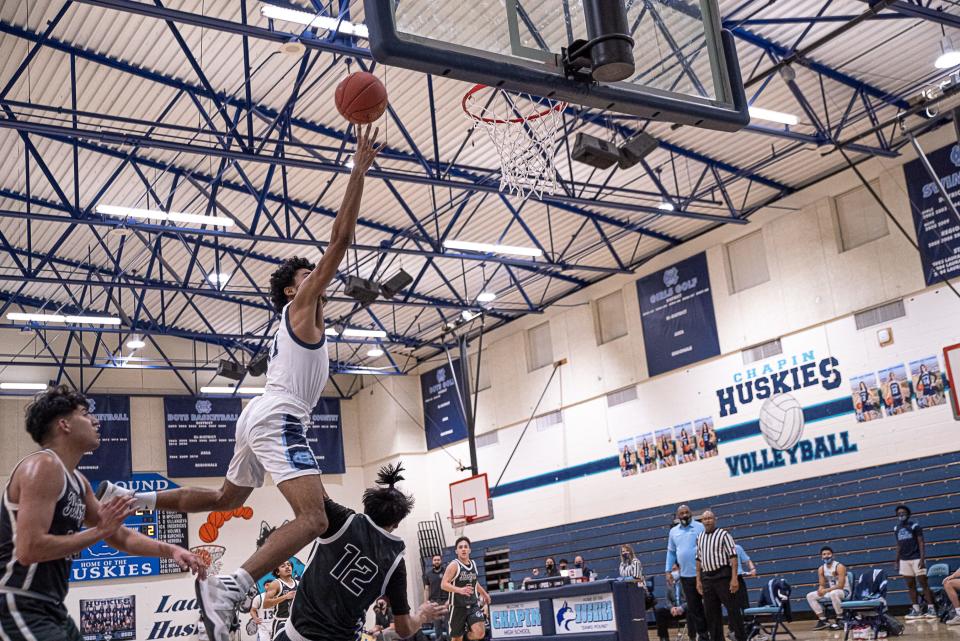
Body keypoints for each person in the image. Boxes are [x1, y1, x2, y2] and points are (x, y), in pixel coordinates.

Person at [96, 125, 383, 641]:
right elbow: (341, 240)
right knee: (313, 519)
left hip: (258, 413)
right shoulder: (300, 308)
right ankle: (236, 585)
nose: (316, 274)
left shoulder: (297, 323)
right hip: (278, 414)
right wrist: (357, 171)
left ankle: (132, 499)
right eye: (307, 272)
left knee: (226, 500)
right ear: (295, 288)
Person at [0, 386, 206, 639]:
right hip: (15, 601)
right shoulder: (43, 466)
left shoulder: (77, 481)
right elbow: (29, 549)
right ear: (64, 424)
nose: (96, 421)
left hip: (50, 606)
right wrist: (99, 531)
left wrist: (171, 549)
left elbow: (119, 536)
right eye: (86, 414)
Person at [274, 463, 446, 640]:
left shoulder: (342, 521)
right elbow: (403, 628)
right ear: (396, 523)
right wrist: (423, 615)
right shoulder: (395, 562)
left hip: (294, 635)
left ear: (367, 507)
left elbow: (313, 487)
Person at [695, 510, 744, 641]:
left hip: (723, 576)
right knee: (711, 614)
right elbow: (698, 560)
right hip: (707, 579)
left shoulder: (724, 534)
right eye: (705, 519)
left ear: (714, 519)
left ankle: (741, 637)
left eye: (710, 518)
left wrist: (734, 578)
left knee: (733, 610)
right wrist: (698, 580)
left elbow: (733, 557)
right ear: (702, 521)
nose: (707, 521)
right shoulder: (700, 537)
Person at [666, 505, 707, 641]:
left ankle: (714, 633)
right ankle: (703, 636)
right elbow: (671, 552)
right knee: (695, 609)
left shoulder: (700, 527)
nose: (684, 515)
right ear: (678, 516)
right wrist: (667, 571)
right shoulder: (673, 532)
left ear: (691, 514)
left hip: (704, 573)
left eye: (686, 512)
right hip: (686, 576)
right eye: (681, 513)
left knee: (709, 606)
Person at [893, 504, 937, 619]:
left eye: (903, 513)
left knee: (924, 584)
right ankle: (916, 609)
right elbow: (898, 545)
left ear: (908, 514)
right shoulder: (896, 528)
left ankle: (931, 608)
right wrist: (896, 560)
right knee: (910, 585)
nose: (901, 515)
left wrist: (922, 559)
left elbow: (921, 543)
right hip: (904, 560)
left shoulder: (915, 526)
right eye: (899, 513)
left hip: (917, 558)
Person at [443, 537, 490, 641]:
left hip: (473, 604)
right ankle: (461, 636)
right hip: (457, 607)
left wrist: (484, 594)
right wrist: (460, 590)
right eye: (460, 547)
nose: (463, 549)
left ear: (469, 550)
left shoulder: (473, 564)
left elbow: (474, 582)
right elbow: (444, 585)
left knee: (480, 633)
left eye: (465, 547)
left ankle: (465, 636)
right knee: (456, 638)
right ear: (456, 551)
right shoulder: (454, 565)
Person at [804, 546, 850, 630]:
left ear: (833, 555)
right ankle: (823, 620)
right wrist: (820, 589)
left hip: (844, 591)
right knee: (810, 595)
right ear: (821, 557)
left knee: (834, 593)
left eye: (828, 554)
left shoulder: (839, 566)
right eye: (824, 554)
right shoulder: (821, 569)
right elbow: (822, 584)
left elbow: (840, 585)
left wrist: (826, 590)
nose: (826, 556)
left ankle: (840, 618)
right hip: (832, 591)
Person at [263, 560, 299, 638]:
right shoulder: (275, 584)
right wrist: (285, 597)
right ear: (278, 572)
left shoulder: (298, 583)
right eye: (283, 566)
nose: (287, 567)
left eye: (288, 565)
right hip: (281, 621)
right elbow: (266, 604)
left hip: (294, 622)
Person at [728, 544, 756, 640]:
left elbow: (747, 560)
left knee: (744, 604)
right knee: (731, 606)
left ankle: (751, 628)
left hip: (739, 578)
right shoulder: (719, 550)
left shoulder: (737, 548)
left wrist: (752, 569)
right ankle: (732, 630)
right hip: (726, 579)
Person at [656, 564, 686, 641]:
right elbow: (667, 600)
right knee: (660, 612)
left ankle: (692, 636)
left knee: (693, 610)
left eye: (675, 569)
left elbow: (690, 600)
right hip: (674, 611)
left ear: (680, 569)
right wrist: (672, 608)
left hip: (685, 609)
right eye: (672, 570)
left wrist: (681, 608)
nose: (673, 572)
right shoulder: (670, 584)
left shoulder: (686, 582)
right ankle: (664, 638)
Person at [424, 554, 448, 641]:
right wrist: (426, 602)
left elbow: (451, 586)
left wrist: (449, 600)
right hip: (434, 603)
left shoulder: (446, 572)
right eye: (435, 560)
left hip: (445, 602)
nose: (437, 561)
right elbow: (426, 589)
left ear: (441, 561)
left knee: (448, 625)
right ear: (432, 561)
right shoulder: (428, 574)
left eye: (438, 560)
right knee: (437, 627)